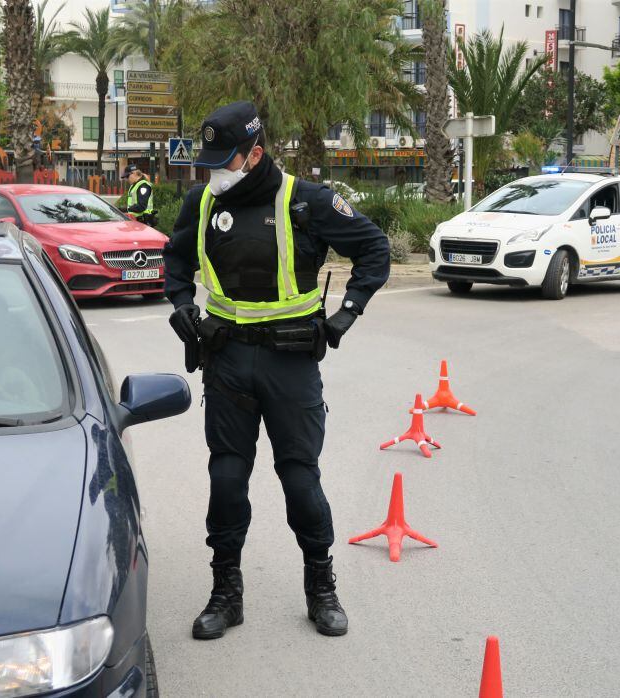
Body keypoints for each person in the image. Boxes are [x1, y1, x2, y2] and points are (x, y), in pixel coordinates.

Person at [162, 100, 390, 639]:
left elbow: (375, 250)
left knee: (300, 481)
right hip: (227, 362)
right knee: (226, 478)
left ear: (254, 153)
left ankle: (321, 589)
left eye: (223, 160)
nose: (211, 171)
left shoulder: (305, 201)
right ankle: (226, 594)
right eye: (208, 160)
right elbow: (175, 259)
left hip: (290, 363)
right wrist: (180, 306)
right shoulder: (200, 203)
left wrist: (346, 315)